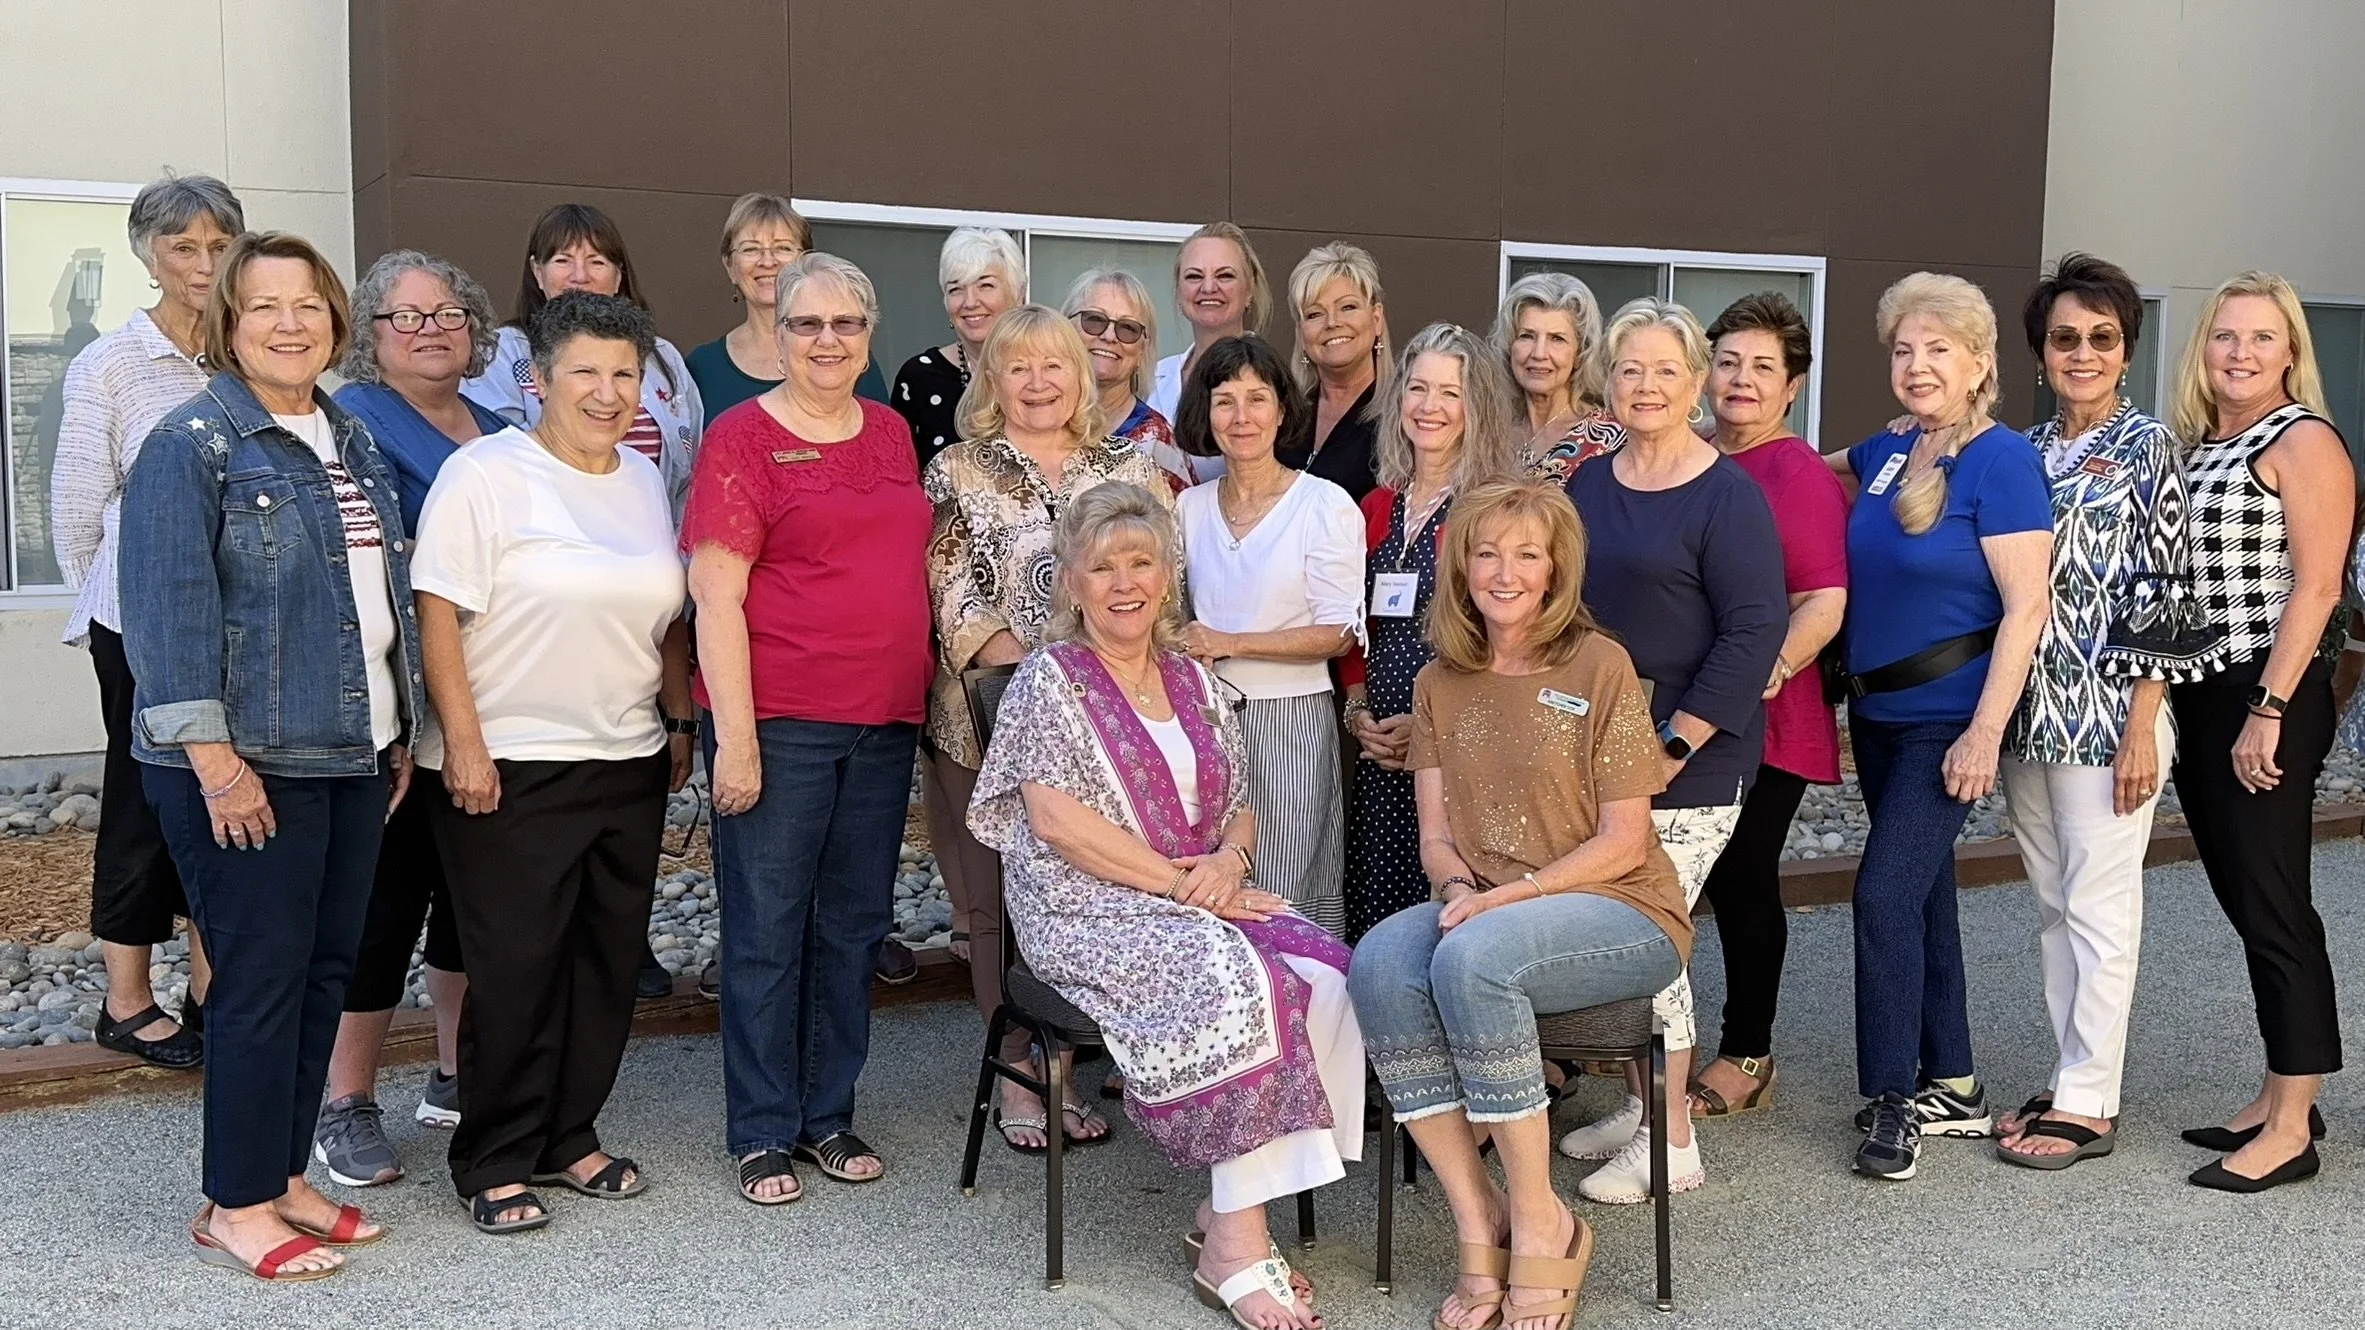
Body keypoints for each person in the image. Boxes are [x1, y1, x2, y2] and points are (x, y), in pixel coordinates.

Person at [970, 482, 1362, 1330]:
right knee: (1236, 977)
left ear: (1165, 574)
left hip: (1197, 886)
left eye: (1139, 561)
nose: (1123, 582)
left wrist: (1228, 857)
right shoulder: (1050, 680)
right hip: (1086, 907)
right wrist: (1184, 885)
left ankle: (1224, 1210)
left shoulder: (1191, 675)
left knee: (1326, 969)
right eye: (1100, 565)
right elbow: (1055, 824)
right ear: (1070, 583)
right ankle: (1236, 1248)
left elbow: (1242, 799)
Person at [123, 230, 420, 1280]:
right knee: (256, 982)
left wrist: (397, 727)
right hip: (248, 761)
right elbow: (163, 619)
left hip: (349, 749)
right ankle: (235, 1202)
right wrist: (214, 760)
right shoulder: (193, 442)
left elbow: (373, 605)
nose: (290, 324)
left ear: (336, 317)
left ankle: (283, 1176)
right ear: (228, 325)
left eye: (308, 304)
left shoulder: (348, 433)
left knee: (319, 975)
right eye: (264, 307)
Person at [1350, 479, 1689, 1330]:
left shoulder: (1597, 664)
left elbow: (1621, 839)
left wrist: (1513, 898)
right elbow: (1436, 837)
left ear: (1554, 570)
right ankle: (1480, 1217)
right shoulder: (1437, 681)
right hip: (1490, 906)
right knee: (1383, 961)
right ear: (1460, 565)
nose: (1504, 571)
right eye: (1486, 552)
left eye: (1526, 554)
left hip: (1617, 909)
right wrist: (1463, 888)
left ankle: (1542, 1218)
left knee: (1472, 958)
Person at [412, 291, 694, 1233]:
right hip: (512, 761)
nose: (608, 392)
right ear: (538, 377)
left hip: (626, 755)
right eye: (587, 371)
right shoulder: (485, 473)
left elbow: (662, 621)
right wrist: (464, 744)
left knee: (603, 963)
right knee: (516, 966)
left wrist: (677, 718)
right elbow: (438, 612)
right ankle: (491, 1156)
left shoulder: (642, 481)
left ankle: (568, 1134)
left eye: (626, 374)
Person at [682, 254, 933, 1203]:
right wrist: (734, 738)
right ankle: (759, 1128)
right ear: (776, 334)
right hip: (781, 721)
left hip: (883, 722)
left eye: (844, 324)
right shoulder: (741, 439)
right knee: (766, 927)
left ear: (868, 334)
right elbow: (715, 592)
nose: (826, 341)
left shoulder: (894, 431)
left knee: (854, 926)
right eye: (805, 325)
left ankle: (827, 1113)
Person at [1985, 256, 2227, 1169]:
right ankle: (2069, 1071)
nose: (2081, 354)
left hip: (2108, 715)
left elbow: (2167, 591)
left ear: (2124, 352)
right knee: (2052, 905)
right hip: (2028, 713)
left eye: (2100, 338)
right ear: (2040, 354)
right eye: (2063, 339)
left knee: (2099, 904)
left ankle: (2091, 1098)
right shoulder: (2021, 451)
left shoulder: (2149, 449)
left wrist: (2141, 723)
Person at [1556, 299, 1785, 1203]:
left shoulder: (1727, 496)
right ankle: (1642, 1104)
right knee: (1626, 931)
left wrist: (1675, 740)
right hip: (1595, 746)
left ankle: (1673, 1141)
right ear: (1606, 381)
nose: (1645, 386)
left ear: (1695, 383)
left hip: (1691, 755)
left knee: (1645, 933)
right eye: (1628, 370)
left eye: (1664, 371)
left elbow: (1754, 629)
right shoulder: (1587, 485)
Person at [923, 306, 1167, 1152]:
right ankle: (1023, 1067)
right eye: (1015, 367)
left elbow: (1158, 586)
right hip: (989, 720)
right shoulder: (956, 469)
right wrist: (1042, 686)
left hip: (1114, 727)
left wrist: (1097, 689)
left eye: (1052, 366)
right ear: (991, 379)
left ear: (1080, 375)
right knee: (995, 898)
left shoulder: (1130, 468)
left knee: (1103, 883)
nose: (1036, 383)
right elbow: (952, 591)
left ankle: (1097, 1052)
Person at [1829, 273, 2052, 1182]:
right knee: (1919, 895)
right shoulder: (1890, 452)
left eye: (1936, 350)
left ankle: (1891, 1101)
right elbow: (1806, 471)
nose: (1916, 366)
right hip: (1877, 717)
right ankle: (1951, 1083)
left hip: (1944, 725)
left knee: (1880, 894)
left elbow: (2026, 606)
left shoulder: (2002, 462)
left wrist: (1983, 732)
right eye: (1901, 349)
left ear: (1977, 363)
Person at [314, 250, 507, 1186]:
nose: (431, 328)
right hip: (393, 707)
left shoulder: (508, 429)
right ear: (371, 337)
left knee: (472, 903)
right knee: (382, 907)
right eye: (406, 316)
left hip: (496, 702)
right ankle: (346, 1100)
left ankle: (454, 1072)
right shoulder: (347, 428)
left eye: (447, 313)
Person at [2165, 272, 2353, 1192]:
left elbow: (2315, 590)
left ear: (2289, 352)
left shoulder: (2304, 441)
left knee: (2274, 900)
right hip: (2204, 695)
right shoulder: (2203, 443)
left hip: (2265, 692)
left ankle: (2290, 1130)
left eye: (2261, 338)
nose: (2239, 353)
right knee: (2245, 896)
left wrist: (2268, 710)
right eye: (2224, 337)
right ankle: (2285, 1085)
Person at [49, 173, 242, 1070]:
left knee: (218, 801)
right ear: (147, 254)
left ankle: (209, 989)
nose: (203, 265)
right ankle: (125, 1000)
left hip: (234, 619)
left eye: (217, 244)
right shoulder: (114, 364)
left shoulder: (246, 347)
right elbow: (77, 508)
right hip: (138, 621)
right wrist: (114, 611)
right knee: (140, 802)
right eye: (182, 248)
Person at [1687, 294, 1849, 1121]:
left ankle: (1747, 1049)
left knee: (1741, 876)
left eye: (1761, 368)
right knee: (1665, 877)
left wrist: (1762, 671)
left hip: (1767, 717)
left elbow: (1823, 600)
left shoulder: (1800, 476)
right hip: (1680, 715)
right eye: (1728, 362)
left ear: (1790, 387)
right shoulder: (1687, 456)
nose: (1740, 380)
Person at [1173, 335, 1364, 935]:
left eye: (1257, 399)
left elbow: (1338, 632)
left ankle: (1303, 1021)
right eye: (1225, 401)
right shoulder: (1188, 510)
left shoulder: (1323, 505)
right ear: (1206, 414)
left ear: (1283, 410)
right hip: (1201, 724)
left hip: (1290, 723)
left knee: (1281, 892)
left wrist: (1229, 641)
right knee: (1211, 889)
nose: (1241, 417)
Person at [1339, 323, 1522, 941]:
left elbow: (1512, 642)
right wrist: (1358, 708)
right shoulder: (1376, 506)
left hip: (1459, 757)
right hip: (1380, 756)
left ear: (1478, 407)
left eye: (1450, 392)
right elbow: (1354, 625)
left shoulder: (1493, 507)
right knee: (1378, 927)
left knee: (1449, 921)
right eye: (1418, 388)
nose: (1430, 407)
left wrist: (1433, 728)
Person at [461, 202, 701, 523]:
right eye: (563, 260)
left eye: (596, 261)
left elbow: (691, 477)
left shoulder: (663, 357)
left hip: (651, 548)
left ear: (618, 278)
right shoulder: (502, 353)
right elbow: (499, 462)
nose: (580, 276)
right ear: (537, 272)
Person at [684, 193, 888, 421]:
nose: (768, 261)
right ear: (730, 266)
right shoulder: (702, 367)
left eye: (782, 248)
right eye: (751, 249)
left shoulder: (842, 356)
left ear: (805, 260)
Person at [1149, 222, 1273, 487]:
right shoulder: (1152, 378)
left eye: (1225, 275)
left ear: (1249, 290)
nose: (1208, 287)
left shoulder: (1272, 380)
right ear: (1179, 290)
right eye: (1194, 276)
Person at [892, 226, 1024, 469]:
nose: (970, 302)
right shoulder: (919, 378)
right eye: (956, 289)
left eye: (985, 286)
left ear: (1018, 294)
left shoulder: (1045, 375)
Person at [1277, 242, 1390, 500]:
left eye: (1347, 307)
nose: (1332, 323)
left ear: (1376, 318)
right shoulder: (1283, 414)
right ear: (1301, 333)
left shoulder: (1402, 416)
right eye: (1315, 314)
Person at [1493, 272, 1625, 483]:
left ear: (1581, 352)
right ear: (1510, 346)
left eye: (1557, 339)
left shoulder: (1609, 438)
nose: (1539, 353)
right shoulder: (1489, 431)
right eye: (1527, 336)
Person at [1061, 267, 1181, 489]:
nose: (1108, 337)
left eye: (1127, 328)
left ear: (1142, 351)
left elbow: (1176, 523)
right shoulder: (1037, 420)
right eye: (1094, 320)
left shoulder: (1157, 441)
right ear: (1066, 329)